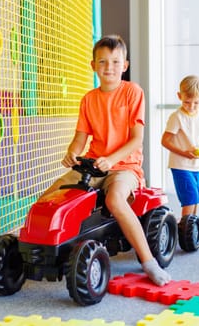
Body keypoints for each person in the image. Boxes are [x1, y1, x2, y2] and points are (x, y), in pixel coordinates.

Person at [40, 34, 171, 286]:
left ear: (125, 65)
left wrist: (111, 160)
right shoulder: (89, 99)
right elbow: (79, 138)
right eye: (102, 61)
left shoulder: (133, 92)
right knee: (51, 195)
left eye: (114, 61)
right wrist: (72, 153)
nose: (108, 67)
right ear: (93, 66)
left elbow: (136, 140)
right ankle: (37, 244)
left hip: (125, 167)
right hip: (92, 164)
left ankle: (148, 262)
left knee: (114, 200)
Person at [161, 75, 199, 218]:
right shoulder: (176, 117)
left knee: (195, 197)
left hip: (197, 165)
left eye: (196, 103)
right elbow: (165, 141)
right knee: (189, 197)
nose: (191, 106)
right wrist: (184, 153)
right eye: (187, 102)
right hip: (181, 165)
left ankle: (191, 225)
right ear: (179, 96)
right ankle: (186, 227)